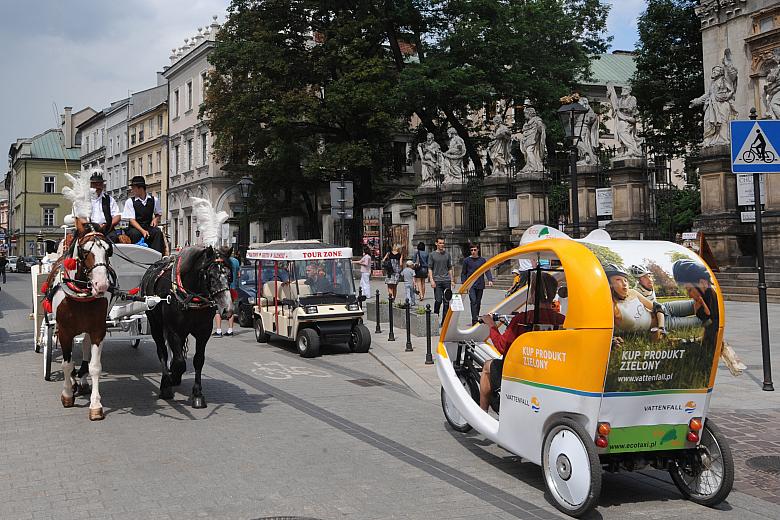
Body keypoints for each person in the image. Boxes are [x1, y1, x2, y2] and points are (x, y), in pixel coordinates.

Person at [479, 272, 565, 411]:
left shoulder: (523, 319)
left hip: (521, 373)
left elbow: (502, 346)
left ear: (533, 294)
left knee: (488, 365)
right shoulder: (562, 320)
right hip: (549, 372)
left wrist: (491, 326)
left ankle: (482, 413)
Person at [672, 260, 719, 356]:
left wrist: (705, 319)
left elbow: (712, 344)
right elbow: (706, 339)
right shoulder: (708, 298)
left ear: (702, 283)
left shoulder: (716, 303)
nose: (689, 295)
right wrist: (684, 341)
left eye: (689, 290)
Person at [122, 176, 165, 254]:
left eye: (133, 188)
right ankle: (136, 255)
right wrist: (142, 231)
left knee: (157, 232)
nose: (132, 190)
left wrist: (156, 219)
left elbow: (158, 213)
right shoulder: (130, 201)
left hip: (148, 226)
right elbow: (131, 220)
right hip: (135, 228)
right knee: (136, 234)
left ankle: (158, 256)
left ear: (140, 188)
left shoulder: (154, 200)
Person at [461, 244, 494, 325]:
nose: (473, 252)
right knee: (473, 301)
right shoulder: (466, 260)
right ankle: (474, 319)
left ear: (478, 250)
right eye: (471, 250)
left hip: (480, 284)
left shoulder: (482, 260)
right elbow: (463, 273)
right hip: (471, 284)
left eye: (475, 250)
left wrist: (490, 279)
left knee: (478, 302)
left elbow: (487, 270)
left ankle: (476, 316)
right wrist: (464, 284)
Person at [213, 247, 240, 337]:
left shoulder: (221, 262)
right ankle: (230, 330)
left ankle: (219, 330)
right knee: (230, 309)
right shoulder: (236, 261)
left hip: (223, 289)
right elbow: (238, 274)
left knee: (218, 310)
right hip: (233, 288)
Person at [88, 169, 121, 241]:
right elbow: (80, 218)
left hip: (106, 229)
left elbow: (117, 216)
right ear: (90, 185)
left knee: (114, 239)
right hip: (89, 229)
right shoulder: (85, 199)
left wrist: (109, 225)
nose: (98, 187)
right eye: (95, 184)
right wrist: (95, 226)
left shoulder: (109, 199)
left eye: (100, 184)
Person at [428, 237, 453, 318]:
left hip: (446, 280)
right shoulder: (432, 255)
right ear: (436, 244)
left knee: (446, 302)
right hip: (437, 280)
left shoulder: (447, 254)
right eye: (440, 243)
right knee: (438, 300)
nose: (442, 245)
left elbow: (449, 268)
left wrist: (452, 280)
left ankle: (444, 321)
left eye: (443, 243)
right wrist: (431, 280)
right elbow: (430, 268)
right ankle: (435, 316)